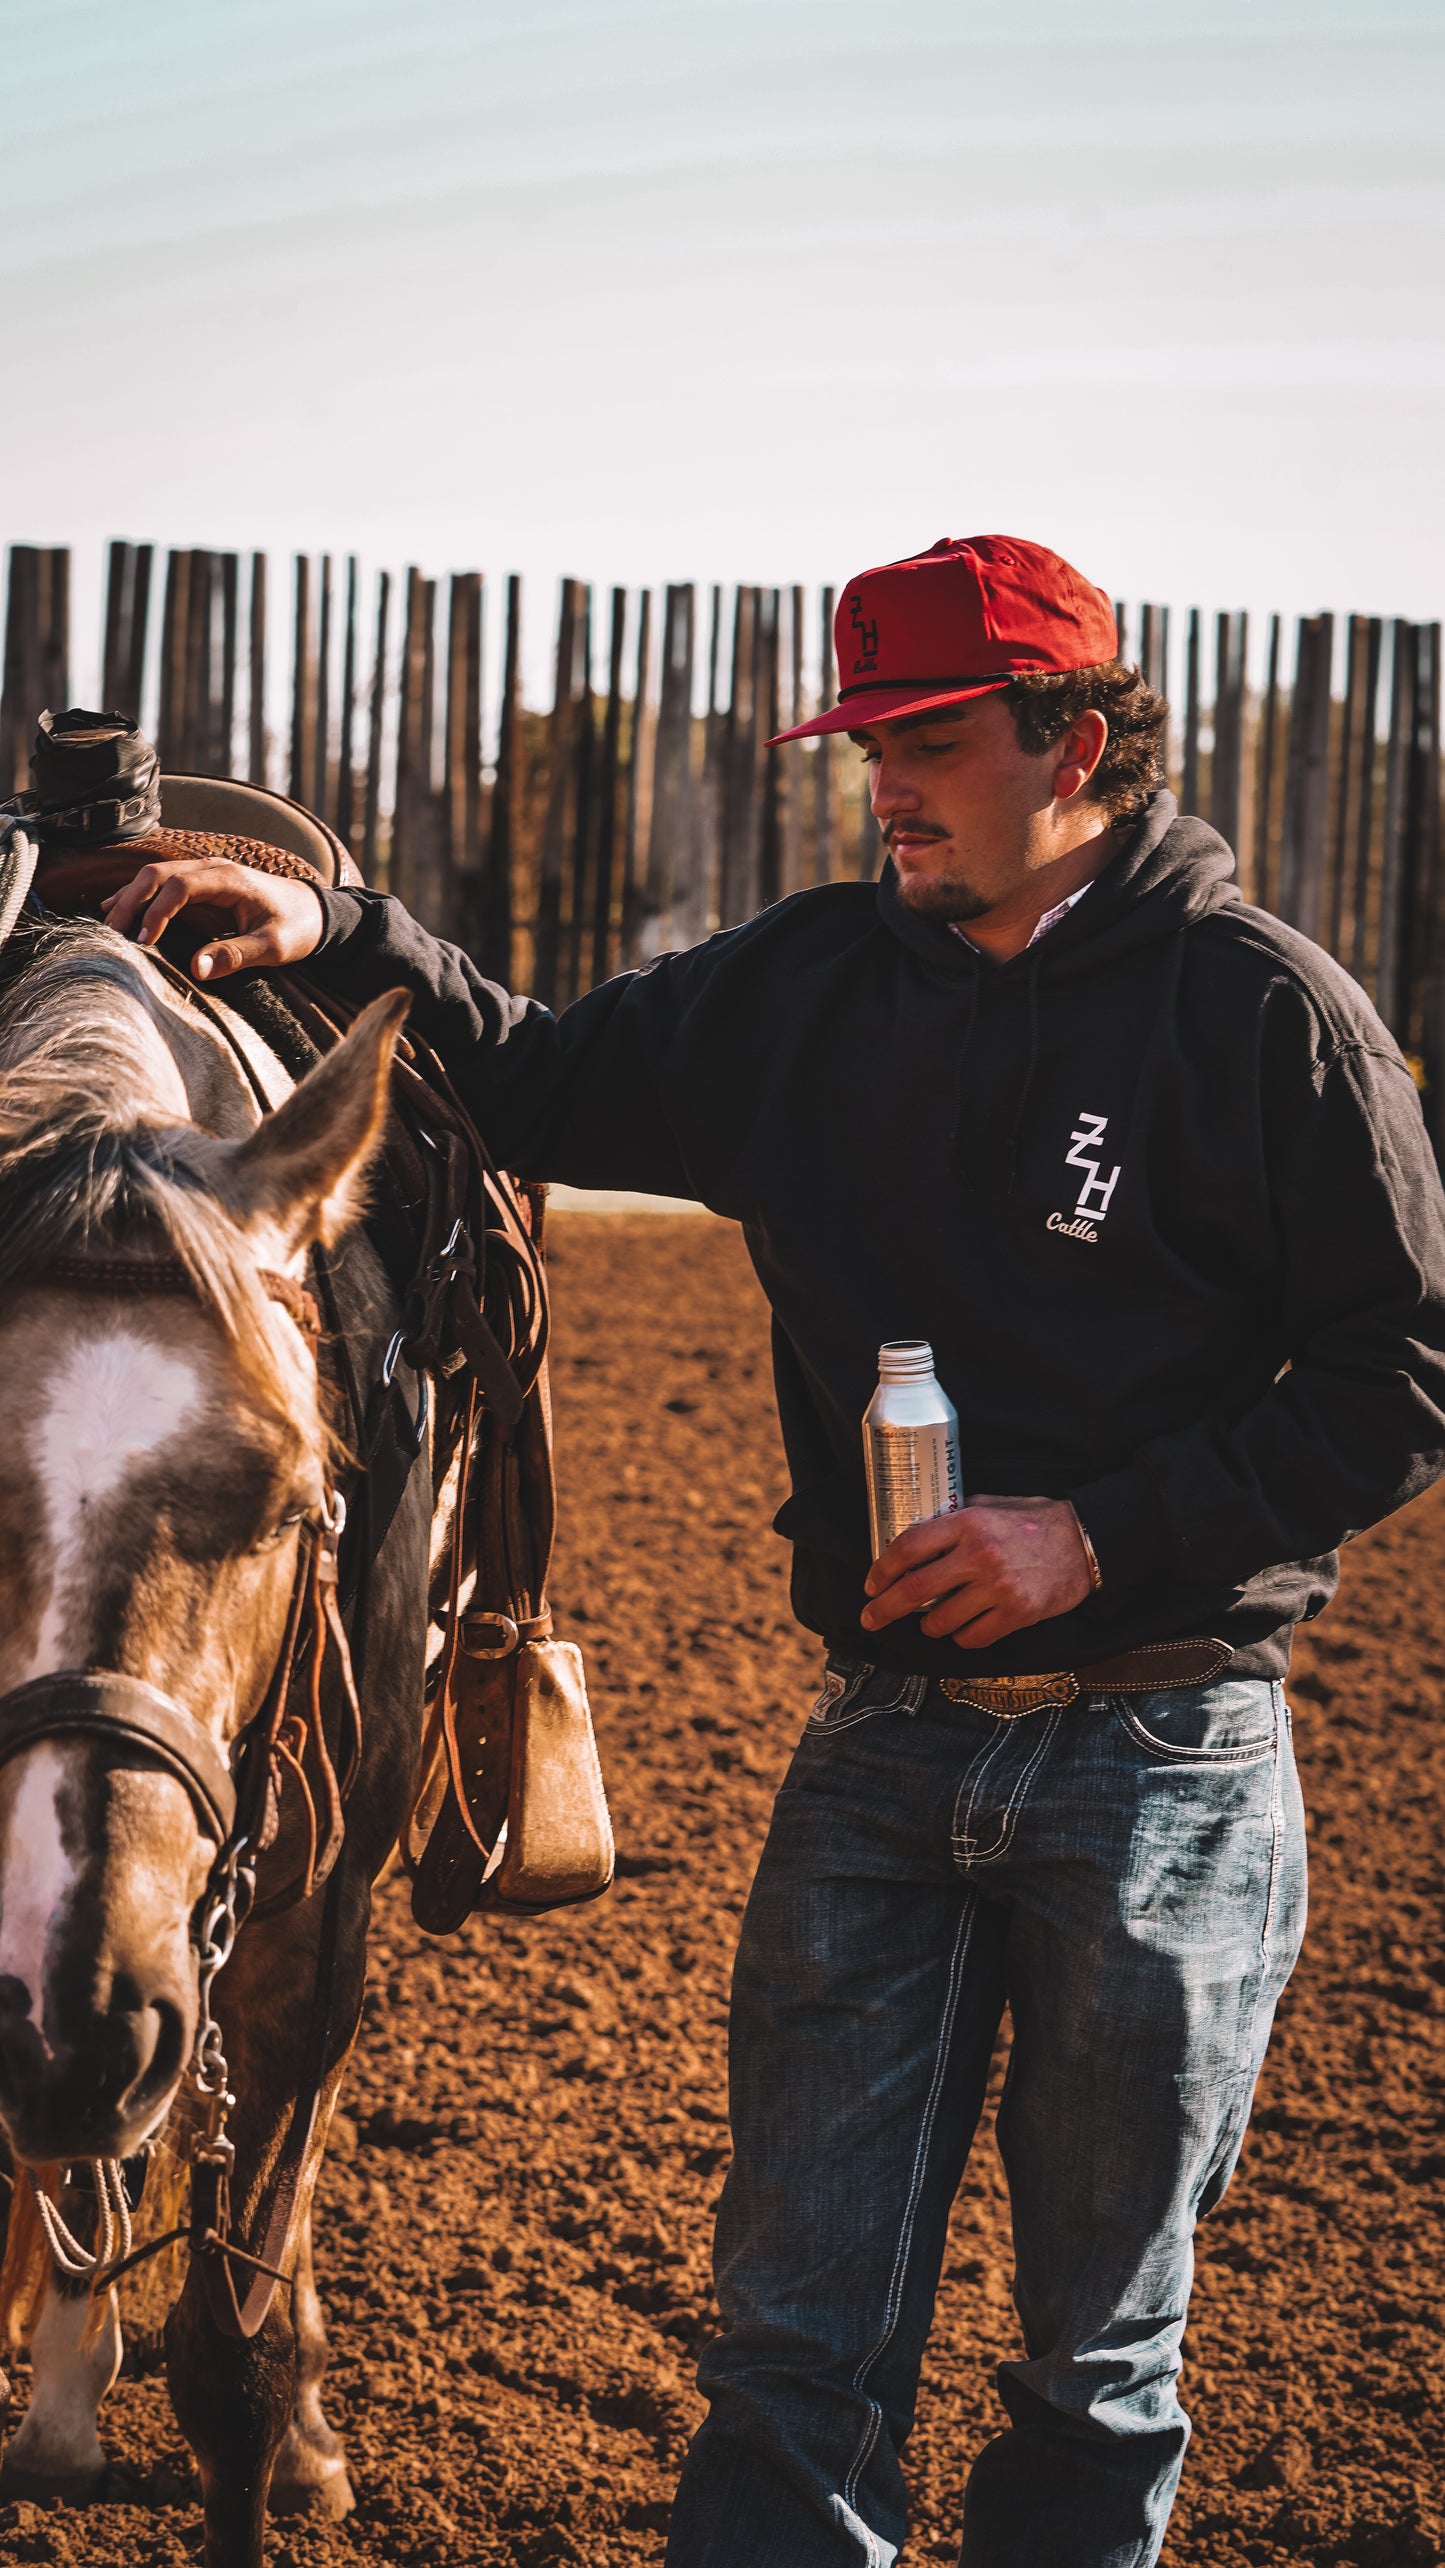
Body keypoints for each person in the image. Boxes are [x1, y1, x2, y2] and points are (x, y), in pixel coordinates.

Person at [105, 535, 1445, 2568]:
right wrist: (341, 924)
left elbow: (1401, 1364)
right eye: (862, 742)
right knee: (791, 2349)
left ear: (1078, 742)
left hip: (1160, 1765)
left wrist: (1097, 1536)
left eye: (929, 740)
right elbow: (541, 1069)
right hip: (884, 1748)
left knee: (1097, 2372)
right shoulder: (816, 983)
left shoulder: (1266, 1019)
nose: (879, 784)